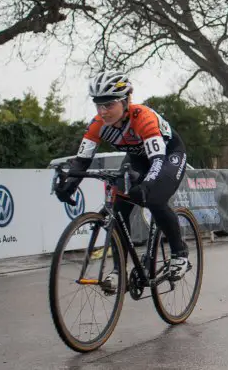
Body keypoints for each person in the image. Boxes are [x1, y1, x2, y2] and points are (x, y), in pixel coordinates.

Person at [54, 71, 190, 291]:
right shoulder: (98, 124)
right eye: (98, 105)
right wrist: (69, 184)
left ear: (126, 100)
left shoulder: (143, 117)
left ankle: (179, 254)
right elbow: (81, 161)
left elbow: (157, 159)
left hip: (168, 156)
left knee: (154, 199)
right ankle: (119, 271)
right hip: (137, 158)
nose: (102, 111)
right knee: (118, 209)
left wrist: (146, 185)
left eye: (109, 105)